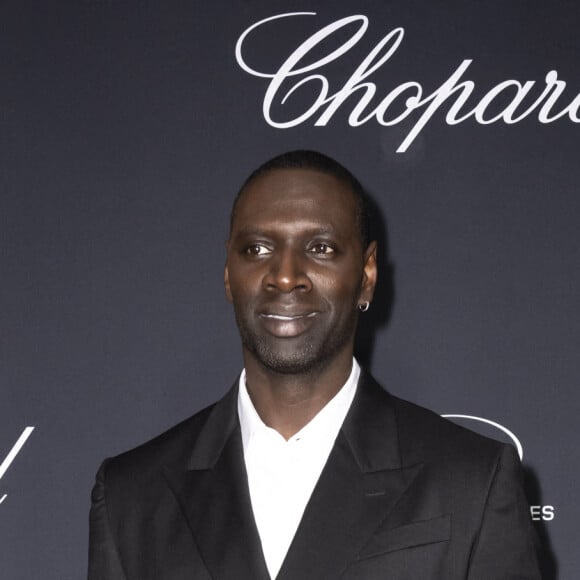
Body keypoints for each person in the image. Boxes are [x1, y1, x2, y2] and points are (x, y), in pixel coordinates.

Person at [88, 150, 541, 579]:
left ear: (366, 276)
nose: (285, 275)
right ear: (228, 273)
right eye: (257, 249)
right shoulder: (133, 496)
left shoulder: (471, 481)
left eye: (321, 248)